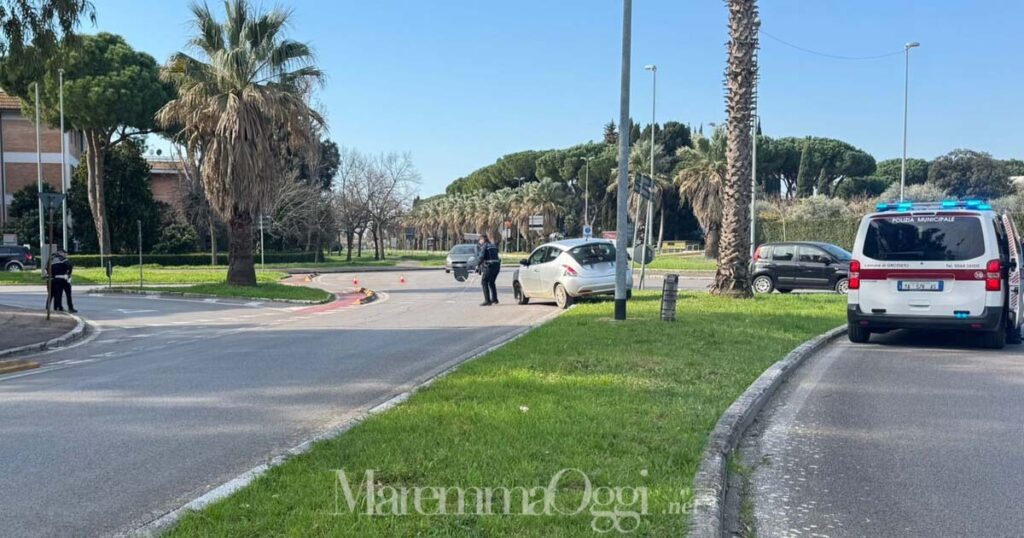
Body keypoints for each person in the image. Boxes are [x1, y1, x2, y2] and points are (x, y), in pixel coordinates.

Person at [476, 234, 501, 306]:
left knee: (484, 282)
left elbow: (481, 257)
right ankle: (494, 299)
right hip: (497, 266)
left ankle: (487, 300)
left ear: (483, 240)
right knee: (491, 282)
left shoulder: (485, 246)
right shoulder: (493, 245)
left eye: (480, 240)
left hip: (489, 266)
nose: (479, 242)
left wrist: (477, 264)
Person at [50, 249, 76, 313]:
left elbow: (49, 270)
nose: (66, 255)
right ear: (62, 253)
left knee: (59, 294)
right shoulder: (64, 260)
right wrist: (69, 274)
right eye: (65, 253)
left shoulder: (53, 261)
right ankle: (70, 308)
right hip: (64, 279)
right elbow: (70, 266)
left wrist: (53, 276)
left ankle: (59, 307)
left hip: (56, 279)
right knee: (68, 294)